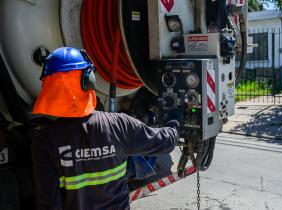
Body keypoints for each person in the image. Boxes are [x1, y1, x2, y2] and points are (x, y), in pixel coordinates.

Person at [31, 47, 179, 210]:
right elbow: (164, 142)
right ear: (89, 81)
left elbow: (49, 203)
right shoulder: (119, 125)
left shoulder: (44, 141)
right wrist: (175, 123)